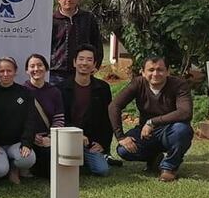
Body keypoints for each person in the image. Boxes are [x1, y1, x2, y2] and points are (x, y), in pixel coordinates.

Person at [109, 56, 193, 182]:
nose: (155, 74)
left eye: (160, 70)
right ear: (143, 72)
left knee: (182, 130)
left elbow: (185, 112)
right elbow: (114, 106)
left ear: (168, 71)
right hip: (145, 133)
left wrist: (152, 122)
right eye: (151, 70)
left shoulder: (179, 85)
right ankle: (153, 158)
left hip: (170, 130)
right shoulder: (138, 83)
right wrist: (121, 137)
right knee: (123, 150)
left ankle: (169, 168)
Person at [59, 44, 112, 177]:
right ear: (74, 62)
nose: (84, 63)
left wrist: (102, 143)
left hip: (90, 143)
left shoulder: (103, 88)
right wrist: (75, 134)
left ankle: (88, 160)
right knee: (65, 169)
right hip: (67, 140)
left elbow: (107, 119)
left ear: (94, 64)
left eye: (89, 60)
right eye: (81, 59)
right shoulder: (61, 88)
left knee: (102, 170)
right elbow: (59, 118)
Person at [0, 57, 37, 184]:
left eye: (9, 70)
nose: (5, 74)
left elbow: (30, 120)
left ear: (15, 71)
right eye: (1, 71)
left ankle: (14, 168)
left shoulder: (25, 93)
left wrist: (26, 143)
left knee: (27, 159)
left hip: (16, 144)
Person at [50, 0, 103, 87]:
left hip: (82, 71)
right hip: (56, 74)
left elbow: (96, 42)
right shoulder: (51, 20)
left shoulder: (88, 18)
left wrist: (97, 64)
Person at [24, 53, 65, 178]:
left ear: (46, 68)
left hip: (48, 139)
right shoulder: (22, 91)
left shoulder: (54, 92)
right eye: (32, 66)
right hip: (29, 140)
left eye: (40, 65)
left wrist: (50, 137)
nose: (36, 69)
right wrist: (31, 136)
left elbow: (59, 118)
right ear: (27, 70)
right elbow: (19, 120)